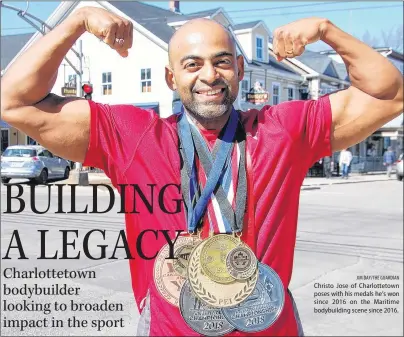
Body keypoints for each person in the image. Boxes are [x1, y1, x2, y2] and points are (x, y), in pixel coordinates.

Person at [1, 7, 403, 337]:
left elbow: (389, 93)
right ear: (171, 78)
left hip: (269, 326)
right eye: (192, 64)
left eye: (221, 62)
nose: (209, 76)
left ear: (240, 70)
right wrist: (75, 21)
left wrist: (327, 30)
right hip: (167, 328)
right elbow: (15, 103)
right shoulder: (132, 137)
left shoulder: (283, 130)